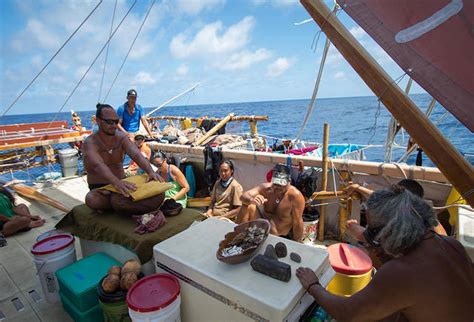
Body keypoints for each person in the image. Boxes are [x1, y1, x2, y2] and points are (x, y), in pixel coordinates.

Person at [296, 185, 474, 322]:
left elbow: (346, 313)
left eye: (373, 231)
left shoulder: (402, 273)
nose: (370, 237)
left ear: (394, 229)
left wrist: (314, 286)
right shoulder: (450, 243)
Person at [83, 104, 162, 213]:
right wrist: (115, 182)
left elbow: (137, 155)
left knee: (159, 190)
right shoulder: (90, 143)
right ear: (98, 121)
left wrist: (150, 172)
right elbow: (98, 166)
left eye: (116, 121)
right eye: (109, 122)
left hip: (123, 183)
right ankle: (121, 204)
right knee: (92, 199)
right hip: (101, 188)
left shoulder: (121, 138)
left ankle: (119, 204)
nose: (114, 125)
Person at [344, 178, 448, 239]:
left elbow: (370, 240)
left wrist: (353, 227)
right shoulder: (424, 213)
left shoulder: (404, 225)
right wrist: (357, 188)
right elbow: (383, 198)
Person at [237, 164, 305, 242]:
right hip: (261, 228)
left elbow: (298, 222)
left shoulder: (295, 196)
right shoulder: (266, 189)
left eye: (282, 185)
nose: (278, 187)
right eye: (276, 184)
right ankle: (239, 237)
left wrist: (297, 243)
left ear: (289, 182)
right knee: (248, 205)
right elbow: (243, 197)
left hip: (279, 236)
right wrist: (252, 199)